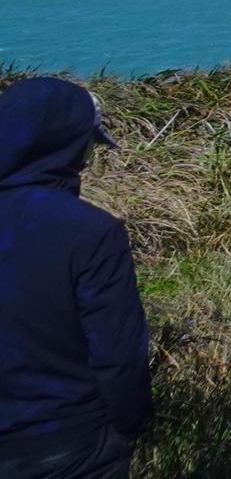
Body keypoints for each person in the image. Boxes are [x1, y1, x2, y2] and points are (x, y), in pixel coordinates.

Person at [0, 78, 152, 479]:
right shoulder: (91, 232)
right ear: (68, 145)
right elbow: (119, 356)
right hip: (67, 445)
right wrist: (132, 426)